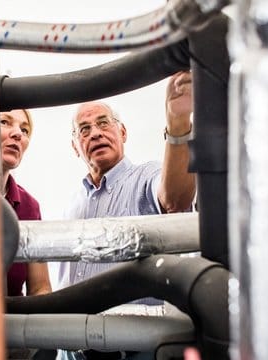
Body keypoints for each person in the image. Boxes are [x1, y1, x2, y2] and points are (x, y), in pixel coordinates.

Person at [57, 71, 196, 359]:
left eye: (103, 123)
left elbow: (176, 200)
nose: (95, 132)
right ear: (75, 148)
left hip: (135, 351)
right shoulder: (72, 204)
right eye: (84, 129)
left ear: (122, 133)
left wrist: (178, 124)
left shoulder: (146, 176)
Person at [0, 109, 52, 297]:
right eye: (5, 122)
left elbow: (40, 288)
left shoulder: (29, 206)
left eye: (25, 129)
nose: (18, 134)